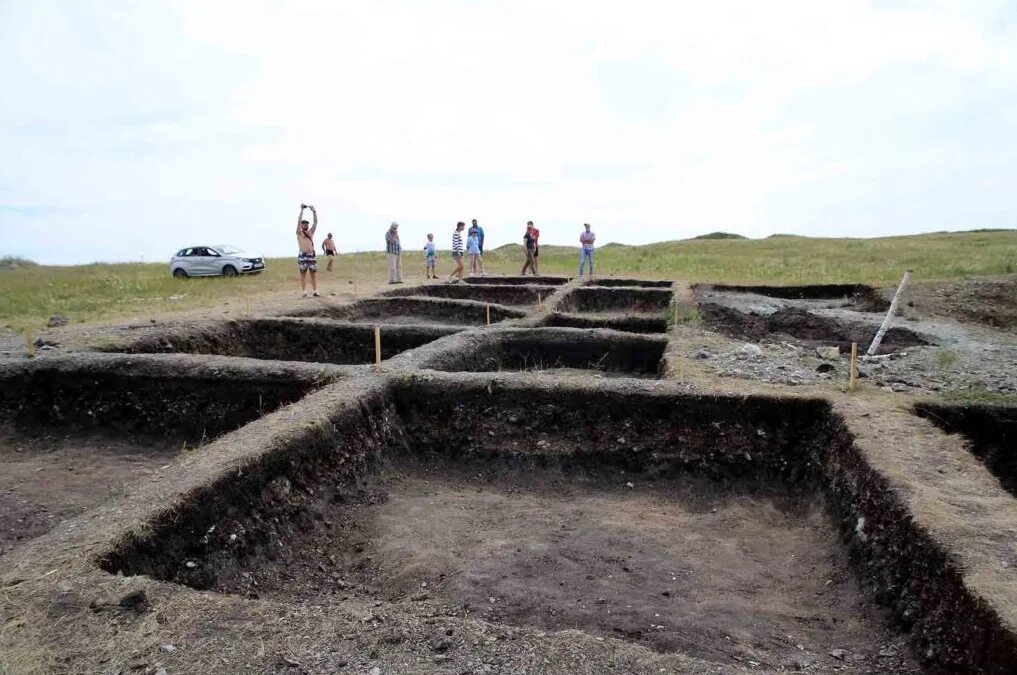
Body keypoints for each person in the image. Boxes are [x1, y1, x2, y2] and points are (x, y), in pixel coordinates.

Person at [295, 203, 319, 297]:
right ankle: (304, 292)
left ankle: (315, 291)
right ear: (301, 225)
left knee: (313, 273)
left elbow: (316, 222)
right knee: (303, 273)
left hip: (311, 254)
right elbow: (298, 221)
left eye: (306, 223)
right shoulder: (299, 233)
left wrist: (314, 212)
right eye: (303, 223)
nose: (305, 224)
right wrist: (302, 210)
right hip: (303, 255)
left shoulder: (310, 232)